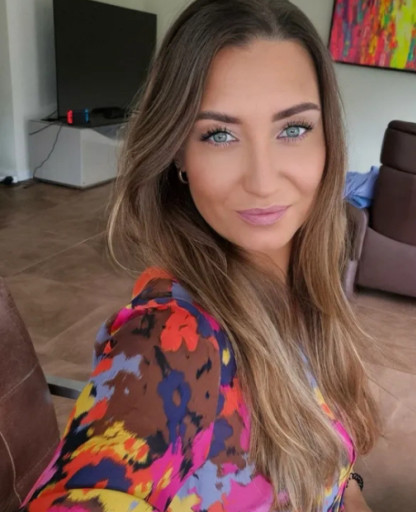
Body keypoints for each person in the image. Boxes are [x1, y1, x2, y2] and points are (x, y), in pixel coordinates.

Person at [21, 0, 381, 510]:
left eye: (293, 129)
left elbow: (337, 475)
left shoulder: (306, 293)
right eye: (219, 134)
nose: (262, 180)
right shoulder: (171, 344)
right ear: (178, 154)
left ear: (328, 141)